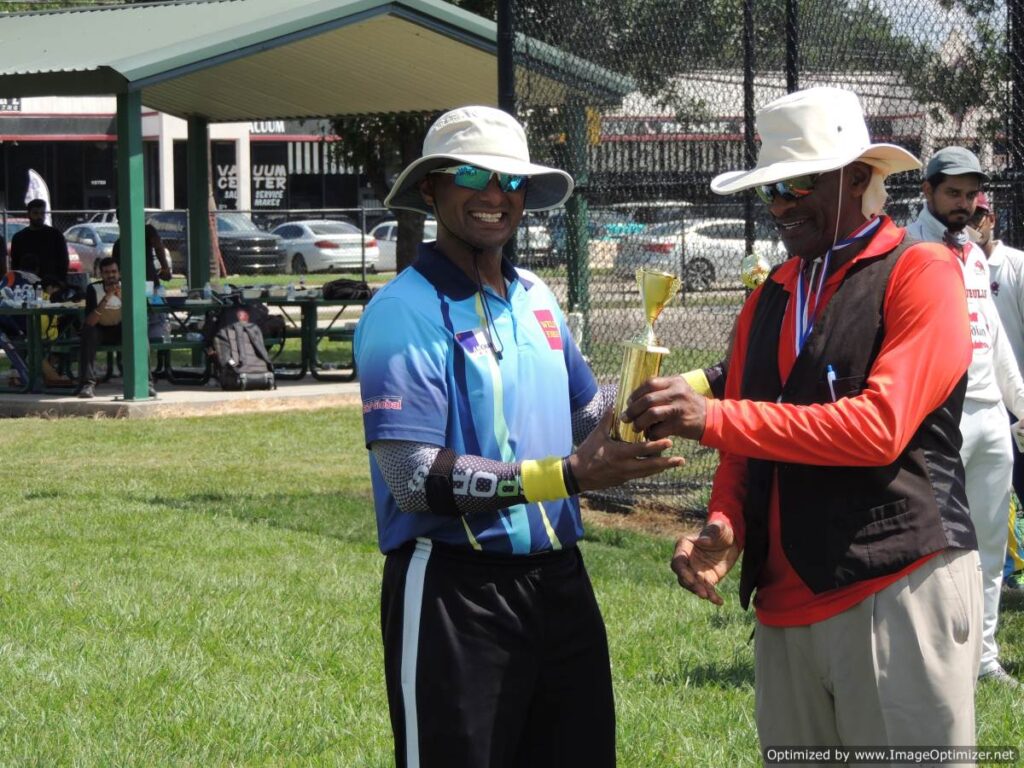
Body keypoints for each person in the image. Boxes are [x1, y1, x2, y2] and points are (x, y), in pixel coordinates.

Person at [621, 87, 983, 753]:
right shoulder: (768, 298)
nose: (782, 205)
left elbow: (879, 427)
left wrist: (713, 416)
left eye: (796, 184)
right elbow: (744, 447)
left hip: (896, 586)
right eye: (771, 191)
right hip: (786, 608)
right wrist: (727, 521)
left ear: (857, 177)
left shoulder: (921, 273)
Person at [354, 105, 684, 768]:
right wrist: (566, 475)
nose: (495, 195)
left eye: (511, 180)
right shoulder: (402, 311)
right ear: (430, 188)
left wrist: (685, 396)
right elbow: (412, 480)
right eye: (473, 173)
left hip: (560, 582)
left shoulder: (537, 295)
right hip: (453, 591)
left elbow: (589, 420)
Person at [905, 147, 1024, 687]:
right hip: (937, 419)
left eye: (970, 193)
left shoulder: (975, 254)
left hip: (989, 416)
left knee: (991, 542)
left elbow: (993, 340)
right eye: (951, 192)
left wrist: (1019, 406)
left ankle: (984, 657)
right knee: (939, 545)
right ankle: (934, 653)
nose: (962, 203)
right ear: (927, 191)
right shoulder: (908, 249)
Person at [965, 191, 1024, 592]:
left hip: (1017, 395)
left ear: (993, 219)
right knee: (992, 500)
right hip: (982, 400)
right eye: (970, 213)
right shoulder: (957, 263)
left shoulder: (1015, 264)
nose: (975, 220)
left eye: (981, 214)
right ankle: (1004, 570)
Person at [77, 256, 155, 399]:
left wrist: (120, 297)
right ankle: (87, 384)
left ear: (119, 273)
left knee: (140, 334)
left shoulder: (127, 287)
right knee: (88, 333)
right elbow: (90, 321)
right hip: (101, 329)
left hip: (120, 329)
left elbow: (137, 316)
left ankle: (146, 383)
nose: (111, 275)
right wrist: (107, 297)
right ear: (101, 274)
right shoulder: (93, 289)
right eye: (107, 272)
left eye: (114, 272)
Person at [10, 198, 69, 290]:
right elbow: (15, 264)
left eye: (42, 213)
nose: (39, 217)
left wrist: (60, 282)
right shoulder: (19, 238)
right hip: (26, 286)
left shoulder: (55, 235)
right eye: (36, 213)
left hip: (51, 285)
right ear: (28, 214)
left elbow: (63, 260)